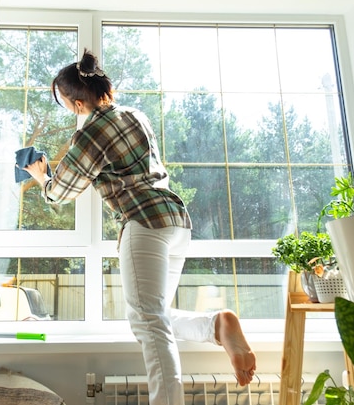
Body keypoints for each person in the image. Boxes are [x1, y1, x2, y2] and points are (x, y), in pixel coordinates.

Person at [23, 49, 256, 405]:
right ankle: (216, 326)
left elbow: (62, 192)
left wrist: (41, 178)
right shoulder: (135, 115)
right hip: (175, 220)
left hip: (143, 223)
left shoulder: (90, 132)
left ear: (74, 101)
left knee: (148, 324)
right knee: (155, 316)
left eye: (64, 102)